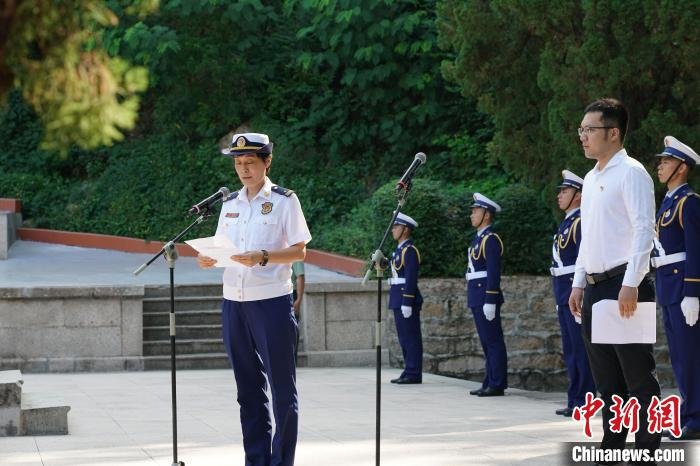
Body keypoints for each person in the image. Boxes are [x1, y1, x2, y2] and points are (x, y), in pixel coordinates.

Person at [197, 132, 311, 466]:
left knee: (282, 392)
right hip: (233, 302)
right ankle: (257, 460)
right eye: (238, 163)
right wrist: (207, 258)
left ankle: (281, 462)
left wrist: (262, 256)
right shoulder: (229, 204)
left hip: (271, 302)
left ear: (267, 161)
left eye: (250, 162)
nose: (243, 170)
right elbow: (221, 248)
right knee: (247, 389)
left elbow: (299, 250)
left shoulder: (284, 200)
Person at [568, 98, 659, 464]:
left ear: (613, 133)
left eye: (589, 130)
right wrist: (578, 282)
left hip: (625, 283)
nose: (583, 137)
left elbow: (643, 229)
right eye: (581, 130)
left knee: (636, 374)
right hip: (594, 285)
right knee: (606, 377)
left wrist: (633, 281)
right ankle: (613, 443)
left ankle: (649, 448)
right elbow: (588, 236)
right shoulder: (590, 179)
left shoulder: (632, 172)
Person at [651, 135, 700, 441]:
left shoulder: (689, 203)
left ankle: (695, 418)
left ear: (682, 168)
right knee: (680, 356)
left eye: (666, 162)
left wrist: (693, 293)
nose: (660, 166)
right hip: (669, 287)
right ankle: (688, 413)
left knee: (690, 355)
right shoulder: (669, 203)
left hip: (682, 288)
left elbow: (696, 250)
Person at [551, 170, 595, 417]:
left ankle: (584, 401)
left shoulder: (580, 223)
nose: (559, 195)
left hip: (574, 292)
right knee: (571, 350)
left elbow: (584, 260)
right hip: (563, 292)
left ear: (578, 195)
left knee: (581, 349)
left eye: (565, 191)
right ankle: (575, 398)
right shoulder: (568, 223)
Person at [466, 193, 507, 397]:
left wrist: (490, 299)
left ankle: (497, 383)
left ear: (487, 215)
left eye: (476, 211)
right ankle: (489, 379)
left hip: (485, 296)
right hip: (477, 295)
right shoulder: (479, 239)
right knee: (486, 341)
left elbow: (493, 272)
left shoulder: (490, 239)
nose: (472, 214)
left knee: (493, 340)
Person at [387, 212, 423, 384]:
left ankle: (414, 372)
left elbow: (411, 278)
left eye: (397, 226)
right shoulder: (399, 250)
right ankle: (409, 369)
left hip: (405, 298)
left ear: (406, 230)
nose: (393, 229)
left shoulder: (410, 251)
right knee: (404, 337)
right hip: (397, 297)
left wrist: (407, 301)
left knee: (411, 337)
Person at [291, 260, 305, 361]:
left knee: (292, 328)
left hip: (291, 294)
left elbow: (300, 277)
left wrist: (299, 299)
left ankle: (292, 360)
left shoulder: (294, 252)